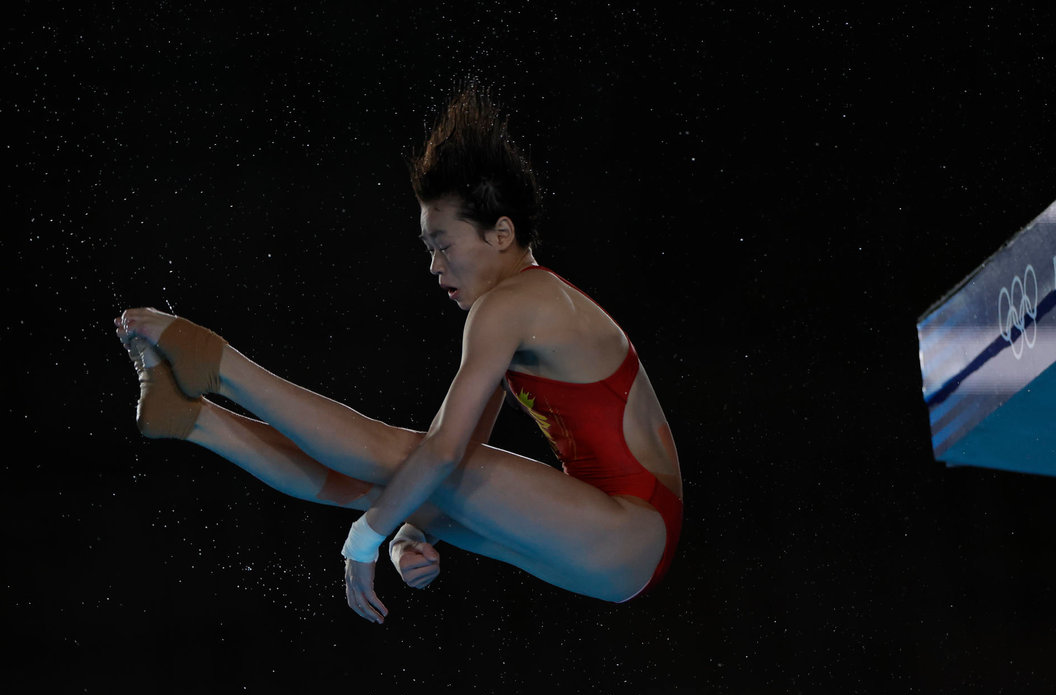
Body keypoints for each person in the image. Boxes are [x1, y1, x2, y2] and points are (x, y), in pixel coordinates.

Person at [114, 83, 683, 624]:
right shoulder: (524, 307)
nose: (435, 266)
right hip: (616, 552)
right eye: (428, 248)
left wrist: (367, 539)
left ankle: (217, 363)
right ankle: (194, 419)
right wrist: (412, 532)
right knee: (384, 479)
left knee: (393, 458)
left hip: (628, 528)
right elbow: (459, 452)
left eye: (444, 246)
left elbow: (440, 450)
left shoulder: (513, 303)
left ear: (501, 233)